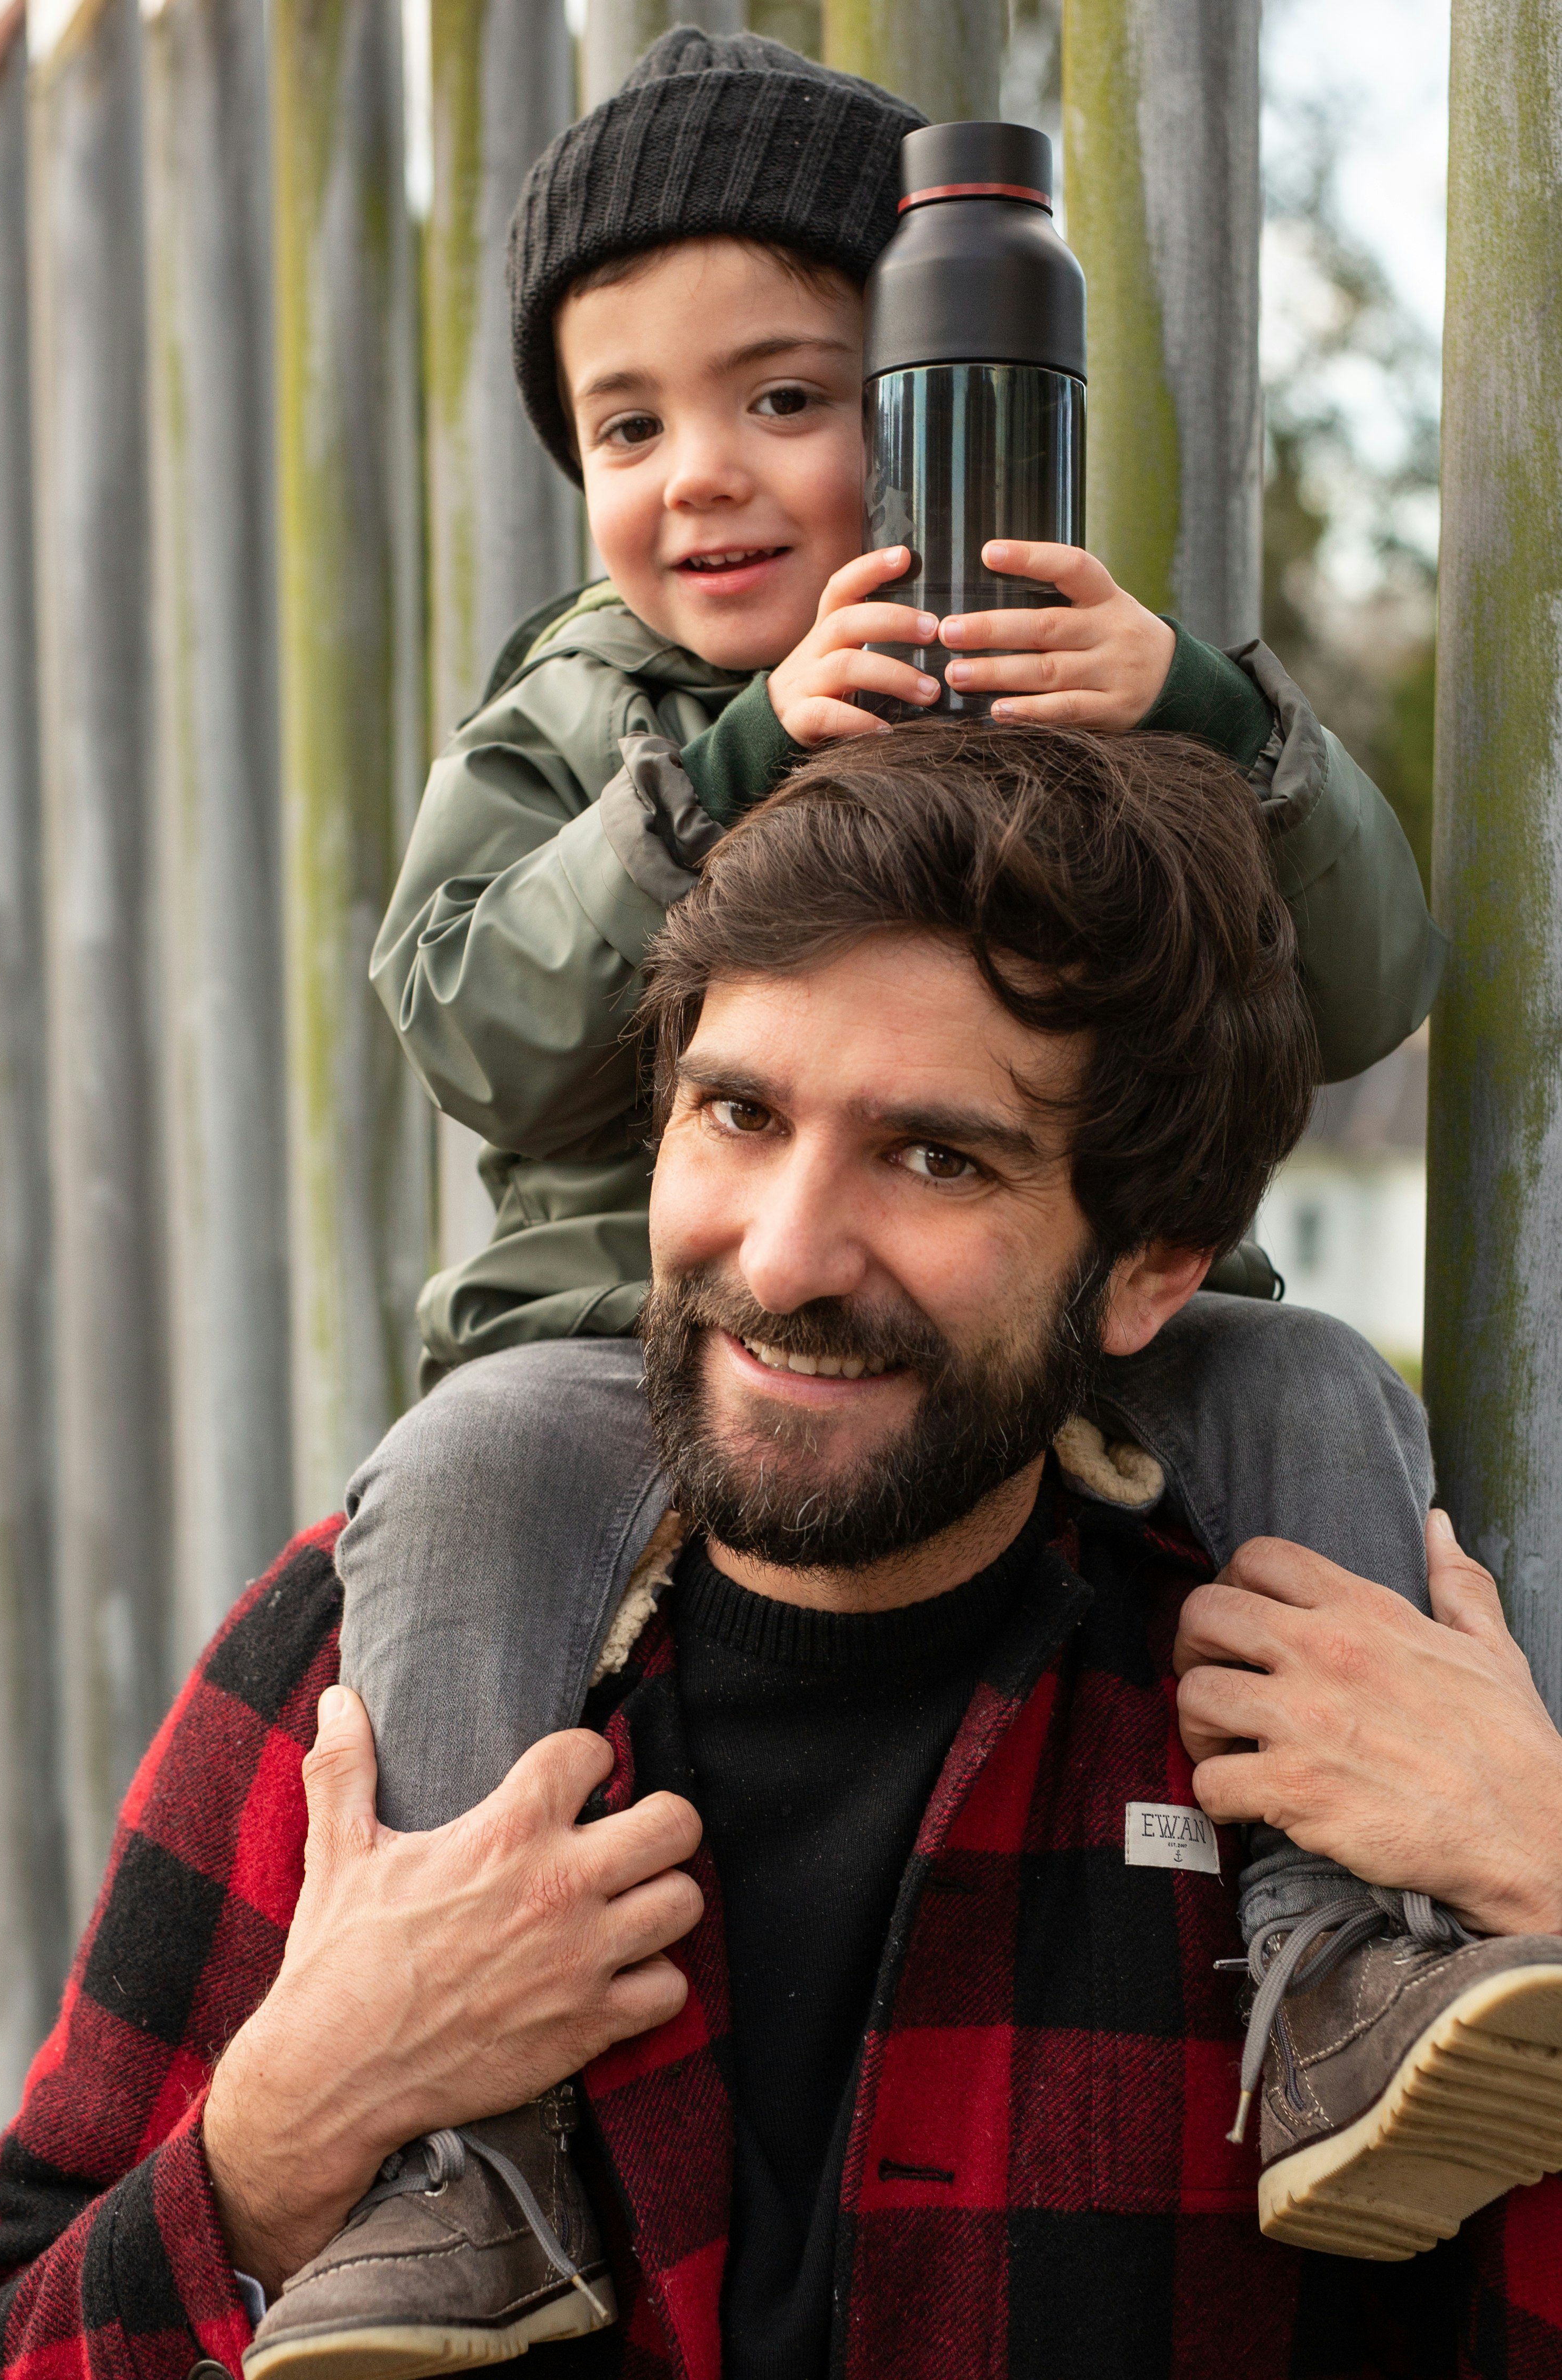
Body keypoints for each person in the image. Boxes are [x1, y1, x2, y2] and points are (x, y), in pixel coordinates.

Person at [0, 725, 1562, 2380]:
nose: (780, 1257)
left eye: (935, 1157)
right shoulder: (370, 1665)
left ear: (1147, 1266)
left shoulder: (1359, 1710)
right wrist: (284, 2133)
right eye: (736, 1113)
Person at [342, 21, 1454, 2318]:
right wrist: (729, 766)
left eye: (785, 398)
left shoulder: (1077, 659)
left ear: (935, 407)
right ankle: (472, 2159)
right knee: (457, 1486)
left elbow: (1357, 988)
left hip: (1087, 1319)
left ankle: (1352, 1973)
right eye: (628, 427)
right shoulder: (583, 720)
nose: (704, 481)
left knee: (1321, 1386)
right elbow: (468, 1020)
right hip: (630, 1348)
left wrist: (1214, 716)